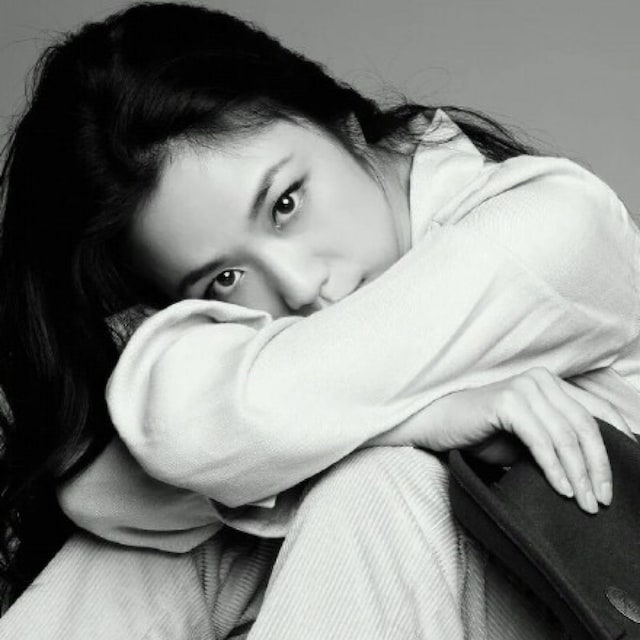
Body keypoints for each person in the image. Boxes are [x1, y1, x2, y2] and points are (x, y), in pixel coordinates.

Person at [0, 2, 638, 638]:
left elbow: (183, 433)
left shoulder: (550, 227)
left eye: (286, 203)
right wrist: (419, 420)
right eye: (224, 279)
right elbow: (101, 486)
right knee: (138, 559)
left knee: (373, 480)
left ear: (346, 128)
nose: (299, 286)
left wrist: (351, 439)